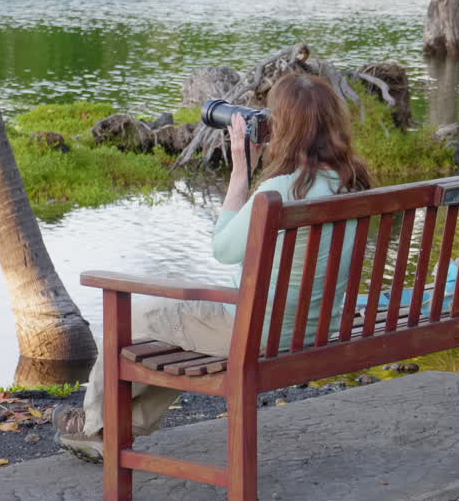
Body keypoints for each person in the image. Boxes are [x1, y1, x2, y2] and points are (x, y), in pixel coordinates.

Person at [53, 74, 373, 462]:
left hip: (253, 335)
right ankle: (115, 424)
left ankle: (93, 427)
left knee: (132, 313)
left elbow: (223, 249)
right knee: (172, 326)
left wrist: (241, 171)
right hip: (317, 330)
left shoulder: (280, 191)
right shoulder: (354, 184)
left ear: (283, 129)